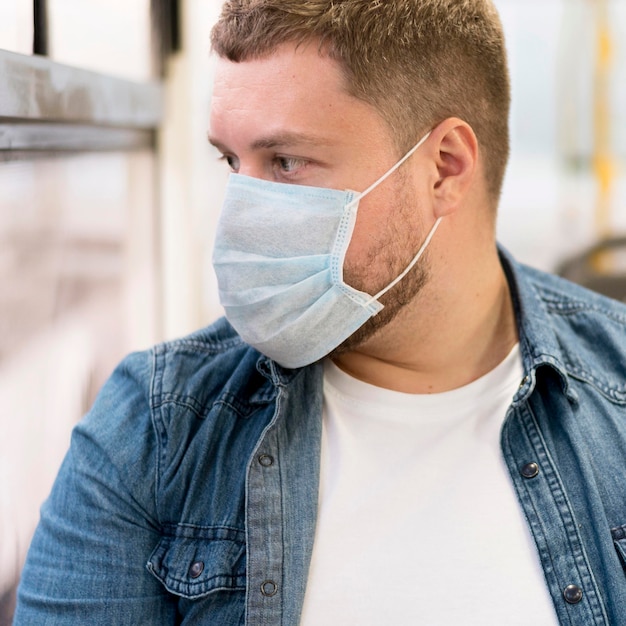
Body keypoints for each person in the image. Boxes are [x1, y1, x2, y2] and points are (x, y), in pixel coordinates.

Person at [14, 1, 626, 624]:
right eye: (232, 162)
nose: (239, 219)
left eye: (285, 163)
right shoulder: (156, 433)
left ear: (445, 168)